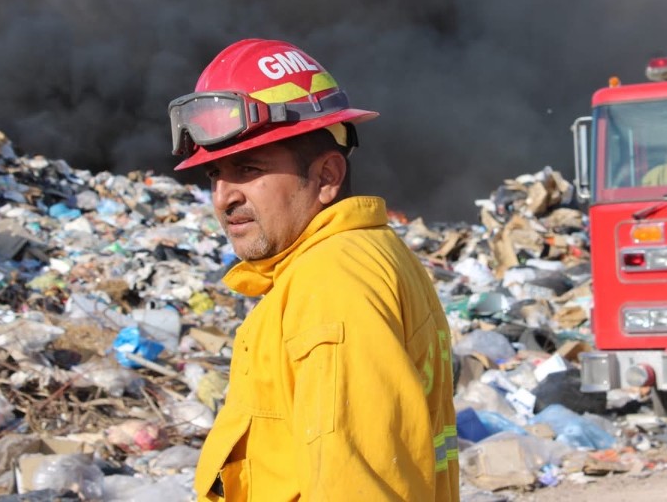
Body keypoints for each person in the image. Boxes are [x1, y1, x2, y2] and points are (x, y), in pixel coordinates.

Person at [168, 39, 459, 501]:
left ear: (327, 177)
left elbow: (356, 486)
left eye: (249, 168)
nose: (224, 197)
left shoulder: (333, 281)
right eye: (214, 175)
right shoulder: (365, 255)